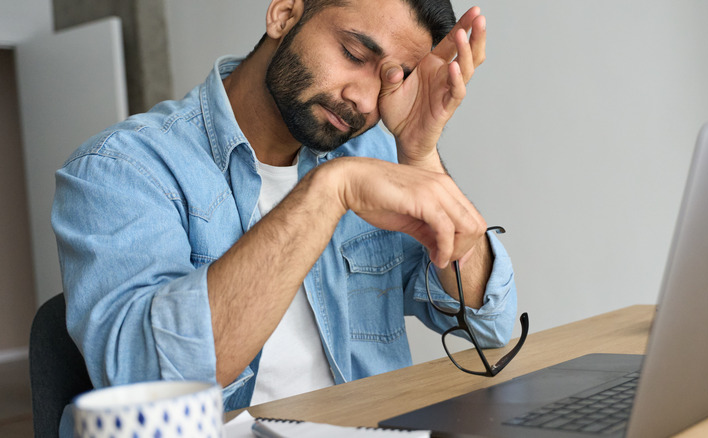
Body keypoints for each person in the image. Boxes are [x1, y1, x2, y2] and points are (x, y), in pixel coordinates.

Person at [52, 0, 517, 434]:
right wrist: (329, 192)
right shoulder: (121, 169)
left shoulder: (372, 154)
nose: (366, 100)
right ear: (284, 13)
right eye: (354, 53)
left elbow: (486, 323)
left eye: (391, 78)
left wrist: (420, 152)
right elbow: (148, 379)